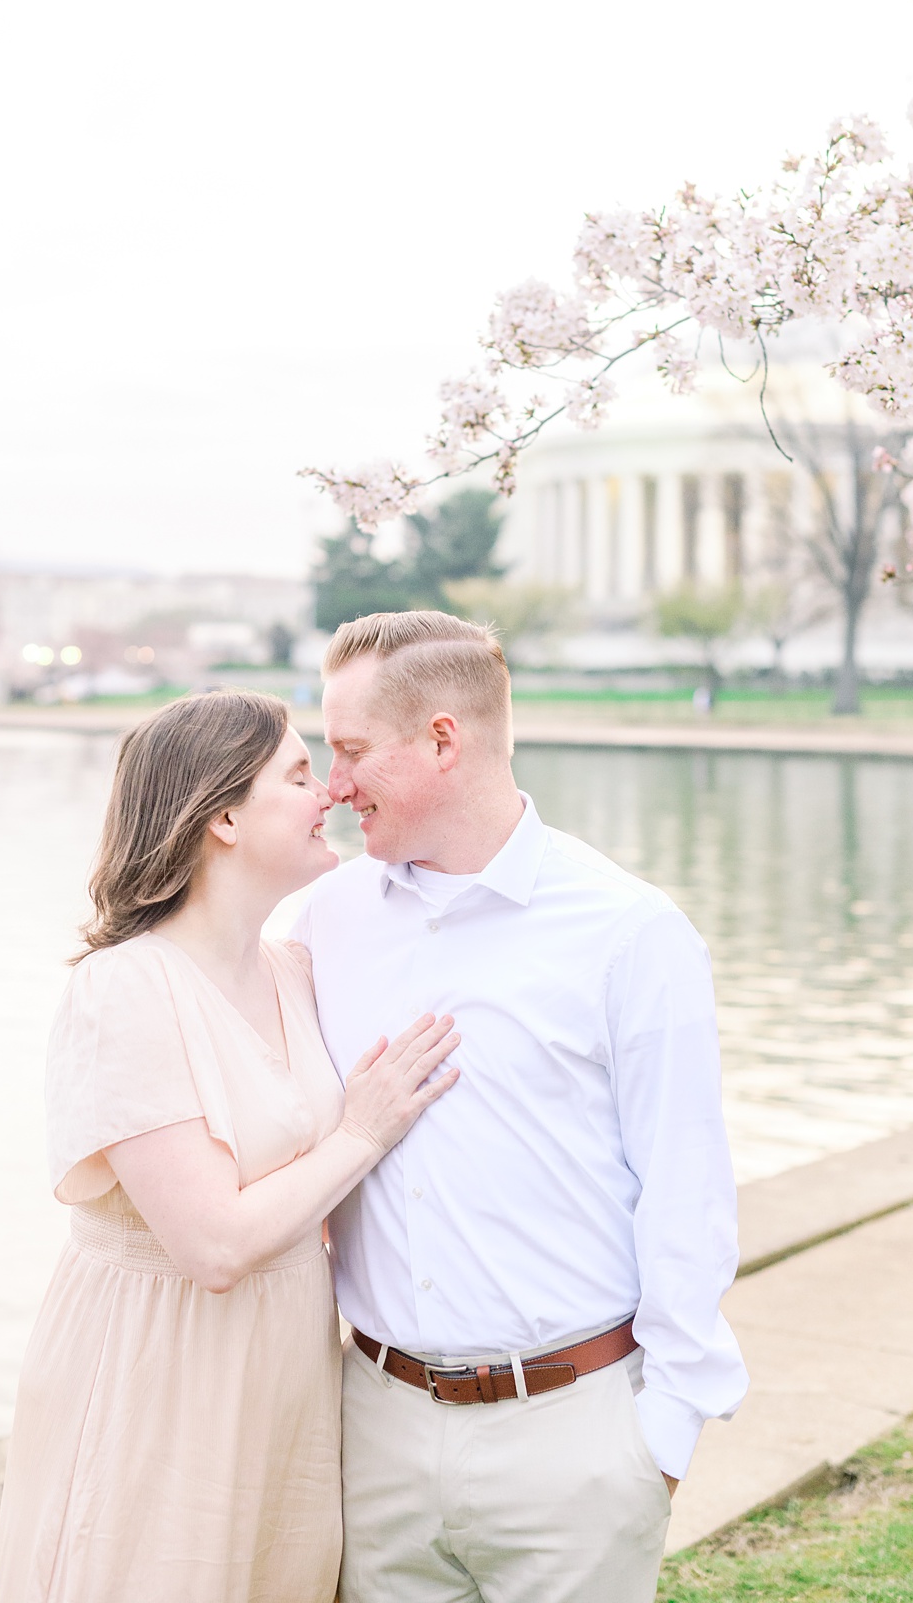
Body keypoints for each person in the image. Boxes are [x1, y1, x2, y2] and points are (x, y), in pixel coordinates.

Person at [297, 610, 748, 1601]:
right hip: (373, 1426)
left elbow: (689, 1196)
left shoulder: (630, 932)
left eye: (351, 750)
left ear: (444, 739)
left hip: (575, 1438)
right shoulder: (320, 921)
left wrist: (659, 1438)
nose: (332, 785)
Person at [0, 690, 461, 1602]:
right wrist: (364, 1129)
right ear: (224, 820)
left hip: (283, 1372)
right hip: (159, 1373)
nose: (326, 789)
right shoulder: (125, 989)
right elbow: (212, 1245)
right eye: (296, 774)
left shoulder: (294, 970)